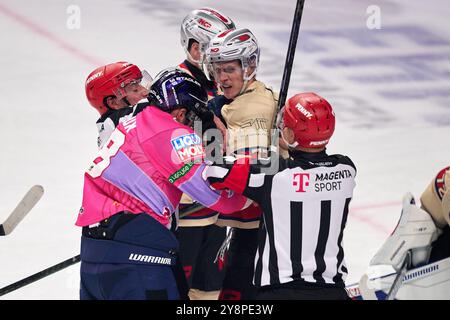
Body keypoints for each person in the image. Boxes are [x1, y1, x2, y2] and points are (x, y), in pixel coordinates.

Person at [77, 66, 250, 300]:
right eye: (193, 116)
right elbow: (214, 196)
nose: (194, 126)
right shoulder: (173, 131)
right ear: (179, 113)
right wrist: (250, 195)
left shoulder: (133, 119)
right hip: (138, 252)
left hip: (94, 248)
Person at [203, 92, 357, 300]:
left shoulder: (274, 175)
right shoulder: (346, 168)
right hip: (334, 292)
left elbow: (214, 171)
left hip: (281, 292)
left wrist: (208, 125)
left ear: (291, 135)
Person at [204, 28, 286, 300]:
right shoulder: (227, 103)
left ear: (249, 66)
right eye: (217, 70)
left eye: (229, 69)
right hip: (236, 227)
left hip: (253, 230)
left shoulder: (258, 108)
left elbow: (261, 171)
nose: (222, 78)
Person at [176, 7, 237, 300]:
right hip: (187, 215)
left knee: (210, 291)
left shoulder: (226, 86)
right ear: (197, 48)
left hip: (219, 212)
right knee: (177, 291)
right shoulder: (176, 88)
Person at [85, 61, 152, 148]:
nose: (145, 92)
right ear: (113, 103)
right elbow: (148, 108)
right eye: (135, 89)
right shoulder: (113, 124)